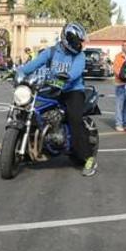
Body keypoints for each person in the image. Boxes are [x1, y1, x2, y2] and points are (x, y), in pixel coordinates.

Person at [17, 22, 97, 177]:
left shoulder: (79, 55)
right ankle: (28, 147)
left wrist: (66, 77)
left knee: (75, 119)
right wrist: (18, 72)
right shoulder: (51, 52)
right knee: (30, 110)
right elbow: (34, 64)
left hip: (73, 90)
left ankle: (88, 158)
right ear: (68, 39)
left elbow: (76, 71)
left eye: (81, 41)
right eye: (77, 41)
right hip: (52, 88)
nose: (80, 44)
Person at [112, 41, 126, 132]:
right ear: (122, 47)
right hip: (120, 84)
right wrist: (124, 76)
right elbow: (116, 69)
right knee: (119, 106)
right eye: (124, 45)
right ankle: (119, 124)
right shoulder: (118, 57)